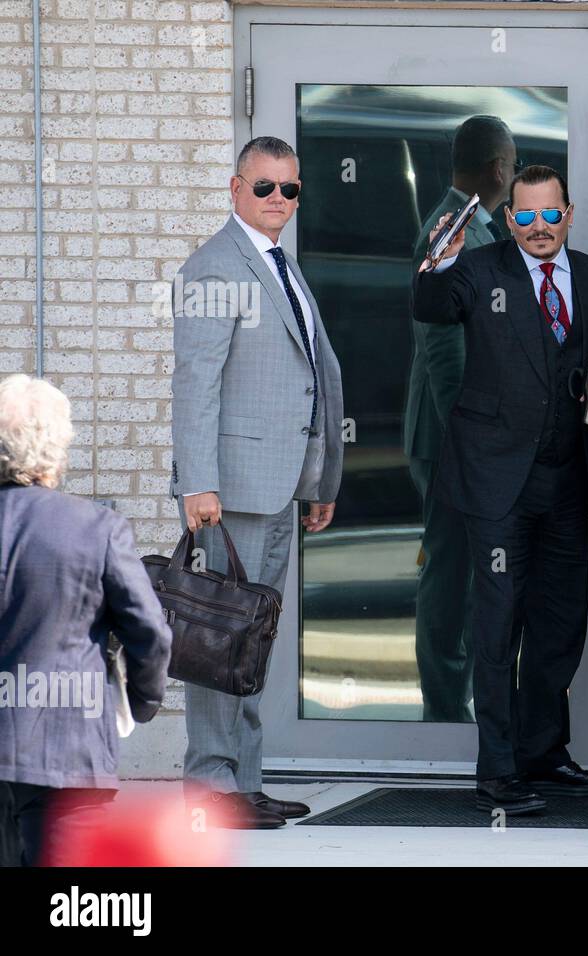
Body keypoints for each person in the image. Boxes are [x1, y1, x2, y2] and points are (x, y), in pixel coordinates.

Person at [412, 165, 588, 814]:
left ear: (568, 213)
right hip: (494, 481)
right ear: (510, 220)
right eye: (525, 217)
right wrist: (436, 262)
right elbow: (430, 306)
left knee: (561, 624)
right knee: (498, 623)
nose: (538, 228)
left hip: (567, 477)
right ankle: (498, 770)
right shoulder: (480, 272)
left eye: (550, 215)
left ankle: (544, 753)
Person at [170, 135, 345, 829]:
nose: (279, 200)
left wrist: (318, 478)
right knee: (218, 644)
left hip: (276, 488)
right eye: (265, 186)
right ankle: (211, 788)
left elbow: (305, 380)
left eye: (290, 189)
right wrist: (197, 484)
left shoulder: (278, 264)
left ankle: (243, 781)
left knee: (250, 643)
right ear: (235, 189)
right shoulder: (218, 267)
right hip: (230, 494)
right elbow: (196, 386)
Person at [0, 375, 172, 866]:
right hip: (68, 749)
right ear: (57, 449)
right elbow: (151, 633)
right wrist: (140, 702)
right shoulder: (95, 528)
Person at [404, 115, 515, 723]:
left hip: (458, 434)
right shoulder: (452, 232)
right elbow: (443, 350)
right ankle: (444, 711)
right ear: (500, 169)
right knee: (449, 571)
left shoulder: (470, 227)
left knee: (466, 568)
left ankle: (456, 704)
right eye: (515, 165)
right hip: (450, 437)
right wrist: (466, 439)